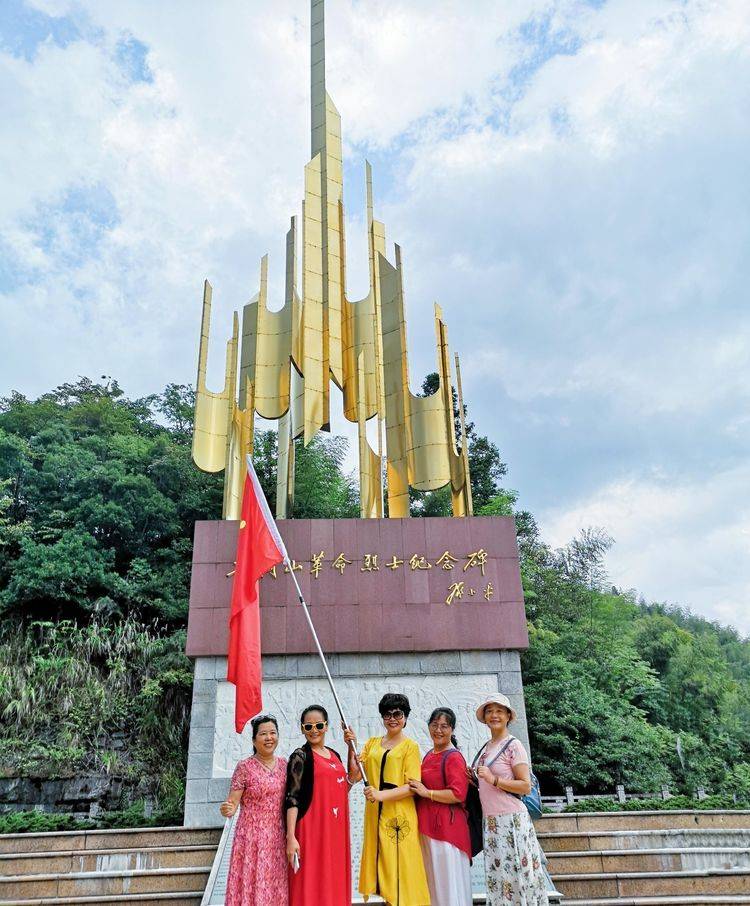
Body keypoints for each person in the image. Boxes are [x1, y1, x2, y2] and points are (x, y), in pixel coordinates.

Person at [346, 692, 430, 906]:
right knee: (381, 863)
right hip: (375, 813)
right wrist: (351, 746)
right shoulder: (372, 743)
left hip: (399, 815)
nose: (392, 718)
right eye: (387, 714)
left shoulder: (410, 747)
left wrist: (380, 794)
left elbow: (412, 786)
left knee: (400, 866)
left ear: (405, 717)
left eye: (397, 713)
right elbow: (355, 775)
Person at [471, 694, 548, 906]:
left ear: (507, 716)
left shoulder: (514, 745)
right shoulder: (486, 747)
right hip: (492, 822)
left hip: (512, 820)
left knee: (518, 877)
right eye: (489, 711)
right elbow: (485, 784)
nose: (494, 715)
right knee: (499, 880)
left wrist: (494, 779)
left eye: (499, 711)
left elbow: (525, 785)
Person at [285, 704, 357, 906]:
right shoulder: (300, 756)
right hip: (311, 829)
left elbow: (339, 790)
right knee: (311, 882)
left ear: (326, 726)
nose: (314, 730)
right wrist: (291, 837)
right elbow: (292, 797)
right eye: (308, 727)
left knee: (333, 881)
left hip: (335, 830)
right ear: (302, 729)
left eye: (318, 725)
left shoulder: (335, 754)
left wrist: (351, 746)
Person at [220, 714, 288, 906]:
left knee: (276, 884)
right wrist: (226, 808)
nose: (269, 738)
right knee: (251, 884)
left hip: (278, 836)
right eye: (263, 734)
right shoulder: (244, 767)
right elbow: (232, 803)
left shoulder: (285, 765)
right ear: (254, 740)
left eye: (273, 733)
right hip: (251, 837)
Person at [408, 707, 472, 906]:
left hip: (447, 831)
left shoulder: (453, 757)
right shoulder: (429, 754)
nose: (438, 730)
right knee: (433, 884)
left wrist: (428, 793)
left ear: (452, 729)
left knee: (447, 884)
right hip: (428, 827)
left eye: (444, 726)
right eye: (434, 725)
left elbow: (458, 793)